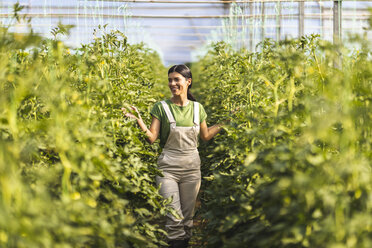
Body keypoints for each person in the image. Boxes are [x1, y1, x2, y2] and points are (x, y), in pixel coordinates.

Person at [122, 64, 223, 248]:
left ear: (188, 82)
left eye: (177, 79)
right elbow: (152, 138)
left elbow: (206, 136)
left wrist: (226, 122)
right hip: (167, 168)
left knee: (187, 221)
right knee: (174, 219)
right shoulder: (161, 107)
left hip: (192, 169)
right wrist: (139, 120)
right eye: (170, 79)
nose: (172, 83)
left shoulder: (198, 108)